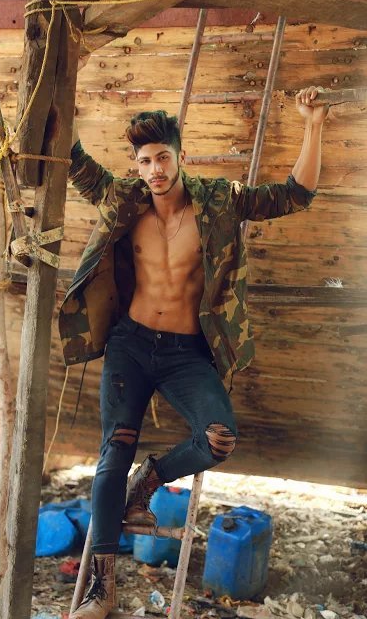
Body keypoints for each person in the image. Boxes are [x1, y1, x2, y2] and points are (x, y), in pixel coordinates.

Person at [60, 86, 329, 619]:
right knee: (112, 454)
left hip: (186, 352)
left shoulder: (220, 201)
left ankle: (151, 478)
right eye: (145, 161)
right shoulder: (124, 199)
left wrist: (313, 124)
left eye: (163, 158)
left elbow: (295, 195)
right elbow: (73, 160)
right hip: (130, 345)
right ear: (136, 165)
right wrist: (65, 90)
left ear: (180, 155)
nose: (155, 170)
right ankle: (101, 589)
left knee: (219, 439)